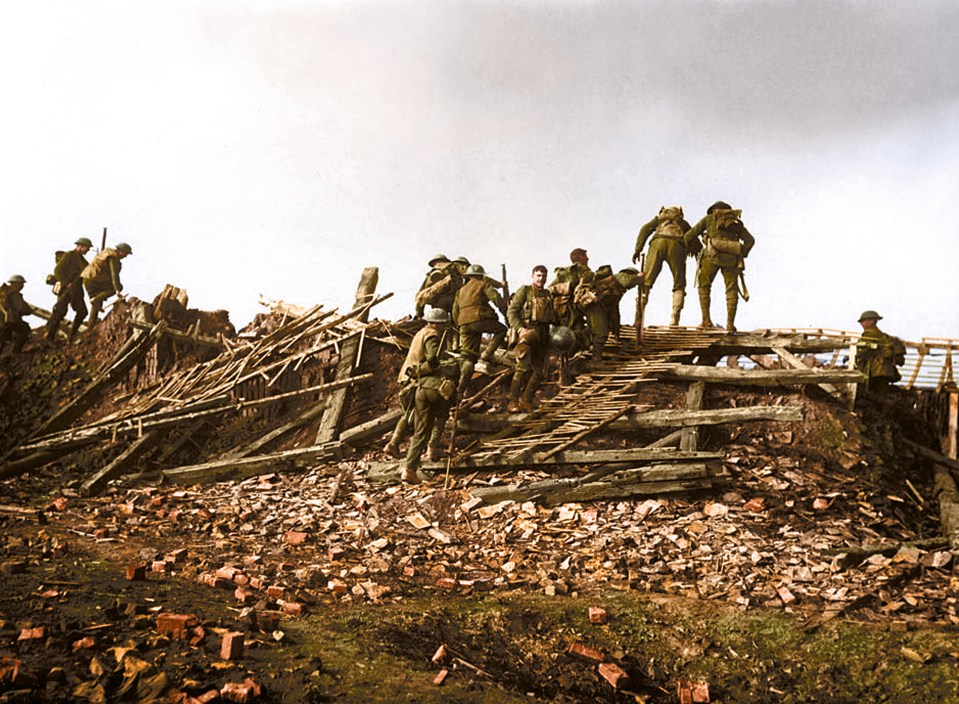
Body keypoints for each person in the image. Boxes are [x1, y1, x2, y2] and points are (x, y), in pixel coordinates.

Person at [400, 308, 461, 484]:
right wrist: (441, 364)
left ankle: (409, 469)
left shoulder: (420, 332)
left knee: (420, 432)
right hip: (434, 389)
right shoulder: (432, 335)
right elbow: (433, 357)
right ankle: (433, 447)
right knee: (443, 413)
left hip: (420, 389)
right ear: (440, 323)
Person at [684, 201, 754, 332]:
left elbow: (688, 236)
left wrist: (699, 247)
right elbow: (750, 240)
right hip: (732, 259)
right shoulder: (736, 223)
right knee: (732, 289)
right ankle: (730, 325)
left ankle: (706, 321)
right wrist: (740, 250)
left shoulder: (709, 219)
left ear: (713, 211)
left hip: (711, 256)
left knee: (704, 286)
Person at [507, 264, 557, 412]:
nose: (541, 279)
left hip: (543, 334)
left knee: (539, 370)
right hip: (528, 333)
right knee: (522, 368)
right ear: (533, 276)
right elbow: (512, 312)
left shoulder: (548, 294)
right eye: (539, 276)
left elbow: (552, 316)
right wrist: (519, 328)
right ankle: (512, 402)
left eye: (544, 276)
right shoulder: (525, 291)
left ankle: (526, 401)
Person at [632, 205, 693, 326]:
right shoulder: (682, 223)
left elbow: (645, 229)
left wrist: (638, 249)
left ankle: (639, 317)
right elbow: (692, 235)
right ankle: (675, 317)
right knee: (679, 282)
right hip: (676, 245)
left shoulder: (659, 220)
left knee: (646, 281)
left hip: (657, 243)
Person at [452, 264, 507, 390]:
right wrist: (506, 314)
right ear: (481, 275)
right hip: (480, 319)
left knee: (468, 357)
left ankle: (461, 389)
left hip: (463, 325)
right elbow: (496, 299)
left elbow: (455, 311)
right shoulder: (483, 284)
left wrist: (460, 325)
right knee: (501, 329)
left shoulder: (460, 291)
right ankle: (488, 353)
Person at [46, 237, 93, 343]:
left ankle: (71, 337)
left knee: (82, 312)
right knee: (59, 312)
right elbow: (57, 270)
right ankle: (49, 337)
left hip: (76, 290)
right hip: (66, 289)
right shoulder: (69, 255)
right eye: (87, 248)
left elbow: (89, 273)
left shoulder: (84, 262)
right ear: (80, 246)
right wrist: (66, 282)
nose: (88, 250)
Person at [81, 241, 132, 326]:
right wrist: (117, 290)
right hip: (94, 280)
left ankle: (91, 325)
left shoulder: (105, 253)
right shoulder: (113, 257)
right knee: (118, 287)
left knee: (97, 303)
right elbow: (114, 274)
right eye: (126, 253)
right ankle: (95, 300)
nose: (126, 256)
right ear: (121, 251)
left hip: (88, 279)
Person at [855, 310, 906, 393]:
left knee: (875, 394)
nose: (862, 324)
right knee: (882, 392)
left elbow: (863, 350)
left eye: (863, 321)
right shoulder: (881, 335)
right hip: (886, 370)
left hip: (876, 369)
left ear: (871, 321)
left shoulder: (869, 333)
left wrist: (853, 356)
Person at [594, 266, 644, 348]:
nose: (634, 287)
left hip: (606, 304)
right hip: (598, 303)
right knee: (600, 327)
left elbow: (614, 313)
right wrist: (640, 277)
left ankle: (615, 336)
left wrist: (616, 330)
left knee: (614, 317)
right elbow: (630, 281)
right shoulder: (622, 276)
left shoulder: (618, 288)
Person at [414, 254, 462, 319]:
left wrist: (419, 313)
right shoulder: (453, 272)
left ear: (434, 263)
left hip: (437, 303)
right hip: (454, 301)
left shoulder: (431, 275)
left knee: (438, 322)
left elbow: (421, 295)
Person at [0, 275, 38, 355]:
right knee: (24, 329)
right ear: (16, 283)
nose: (22, 286)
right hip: (8, 321)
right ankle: (16, 351)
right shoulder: (14, 294)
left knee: (3, 338)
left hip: (2, 322)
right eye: (21, 284)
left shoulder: (3, 291)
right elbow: (21, 308)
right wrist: (29, 311)